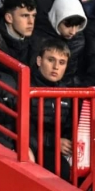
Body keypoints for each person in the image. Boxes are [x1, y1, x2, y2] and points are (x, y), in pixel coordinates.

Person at [30, 39, 73, 180]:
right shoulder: (25, 86)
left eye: (62, 63)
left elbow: (69, 126)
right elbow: (23, 129)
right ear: (39, 61)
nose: (56, 67)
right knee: (60, 170)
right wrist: (54, 142)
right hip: (33, 147)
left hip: (57, 148)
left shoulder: (66, 92)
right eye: (51, 60)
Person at [32, 0, 88, 84]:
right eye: (68, 25)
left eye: (77, 26)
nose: (73, 32)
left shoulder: (78, 42)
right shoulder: (38, 39)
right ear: (56, 17)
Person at [0, 0, 38, 67]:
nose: (31, 22)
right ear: (9, 18)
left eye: (33, 16)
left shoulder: (36, 44)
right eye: (25, 16)